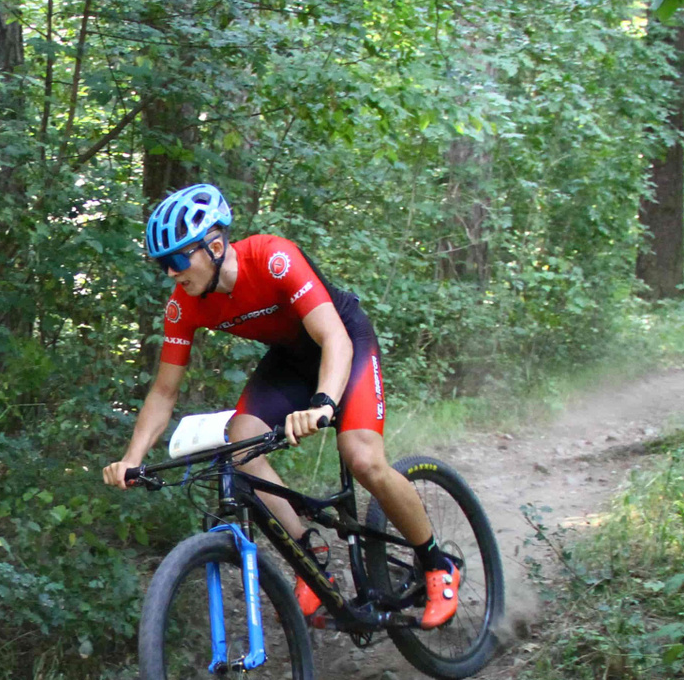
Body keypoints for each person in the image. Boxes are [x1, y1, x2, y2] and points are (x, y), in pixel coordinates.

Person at [101, 182, 459, 628]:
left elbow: (334, 338)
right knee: (241, 441)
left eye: (176, 260)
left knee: (363, 458)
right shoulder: (184, 306)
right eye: (162, 264)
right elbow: (163, 392)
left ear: (215, 247)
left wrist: (323, 404)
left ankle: (437, 564)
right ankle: (309, 553)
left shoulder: (273, 259)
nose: (171, 273)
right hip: (290, 359)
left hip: (343, 340)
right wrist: (132, 459)